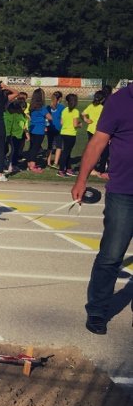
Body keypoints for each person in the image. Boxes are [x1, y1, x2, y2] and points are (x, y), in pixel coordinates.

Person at [71, 82, 133, 335]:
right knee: (111, 255)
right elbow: (98, 143)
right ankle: (97, 310)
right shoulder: (120, 101)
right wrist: (82, 179)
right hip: (123, 192)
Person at [82, 90, 105, 177]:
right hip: (97, 131)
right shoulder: (102, 108)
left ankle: (90, 167)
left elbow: (83, 113)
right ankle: (92, 169)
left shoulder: (91, 106)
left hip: (90, 130)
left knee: (92, 149)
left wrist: (85, 119)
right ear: (102, 100)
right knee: (96, 151)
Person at [57, 93, 80, 177]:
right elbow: (75, 124)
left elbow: (61, 122)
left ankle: (68, 168)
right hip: (71, 134)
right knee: (66, 152)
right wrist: (79, 125)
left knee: (68, 152)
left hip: (64, 132)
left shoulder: (64, 110)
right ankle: (61, 170)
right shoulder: (75, 111)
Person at [25, 89, 48, 173]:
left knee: (32, 147)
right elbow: (49, 117)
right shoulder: (42, 108)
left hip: (32, 128)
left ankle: (29, 163)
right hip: (39, 130)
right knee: (36, 148)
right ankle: (32, 165)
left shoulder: (32, 106)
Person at [45, 91, 65, 169]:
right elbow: (62, 120)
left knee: (50, 146)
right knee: (59, 146)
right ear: (60, 98)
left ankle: (48, 163)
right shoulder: (62, 107)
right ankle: (55, 163)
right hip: (58, 129)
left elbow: (45, 118)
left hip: (50, 128)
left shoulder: (48, 107)